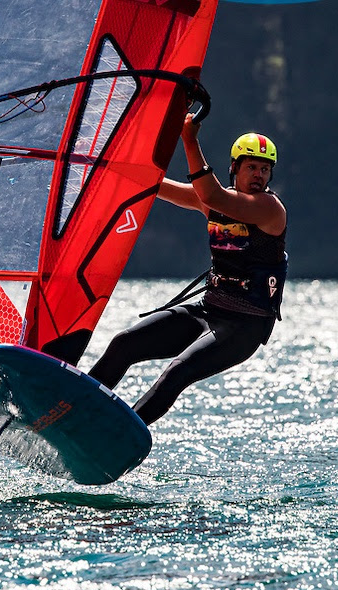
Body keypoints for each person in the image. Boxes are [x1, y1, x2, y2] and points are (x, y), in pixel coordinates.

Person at [88, 114, 288, 426]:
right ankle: (73, 411)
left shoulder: (268, 209)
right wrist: (113, 166)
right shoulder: (217, 201)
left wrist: (189, 139)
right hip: (208, 310)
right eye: (251, 167)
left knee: (176, 373)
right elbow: (154, 186)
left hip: (243, 327)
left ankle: (113, 434)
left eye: (265, 169)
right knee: (124, 344)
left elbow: (212, 195)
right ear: (234, 168)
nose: (259, 175)